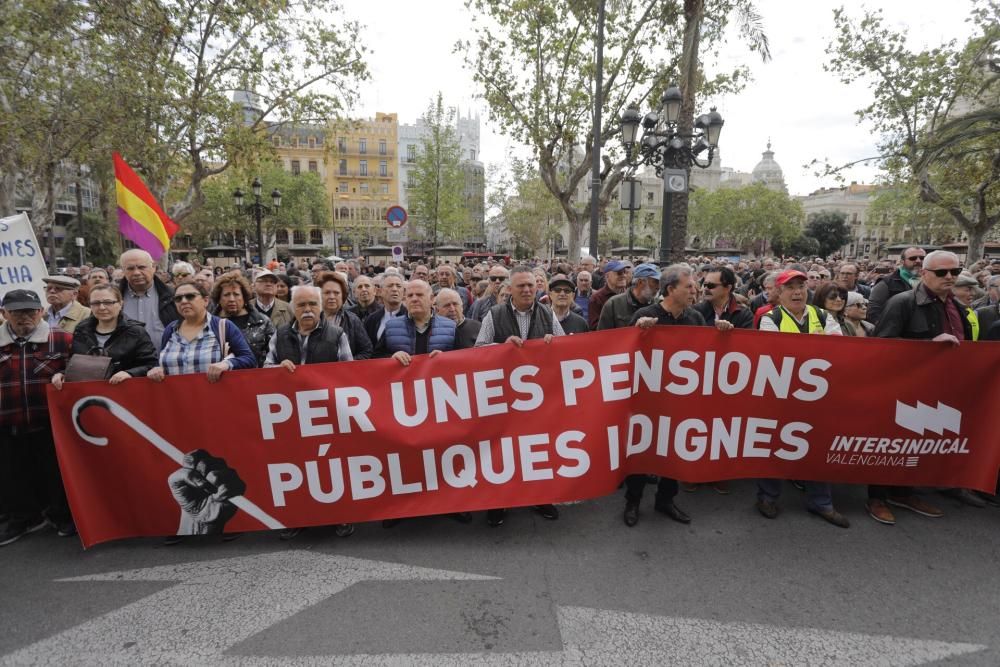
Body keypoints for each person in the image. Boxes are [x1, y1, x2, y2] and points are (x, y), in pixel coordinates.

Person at [869, 251, 969, 523]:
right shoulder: (902, 303)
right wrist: (929, 348)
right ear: (924, 274)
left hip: (937, 389)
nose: (949, 277)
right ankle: (876, 496)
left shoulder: (957, 307)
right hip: (900, 390)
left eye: (955, 272)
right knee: (889, 443)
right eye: (941, 272)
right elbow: (883, 347)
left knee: (916, 443)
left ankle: (903, 492)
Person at [756, 270, 849, 528]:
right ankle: (767, 496)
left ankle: (821, 502)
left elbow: (837, 349)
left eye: (801, 286)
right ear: (778, 292)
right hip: (781, 395)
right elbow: (772, 354)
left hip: (818, 395)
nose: (797, 291)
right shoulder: (769, 319)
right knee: (774, 445)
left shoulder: (823, 316)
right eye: (790, 287)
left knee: (817, 446)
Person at [475, 266, 564, 526]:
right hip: (503, 398)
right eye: (521, 286)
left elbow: (566, 351)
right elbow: (478, 350)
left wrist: (554, 345)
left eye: (531, 285)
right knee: (503, 451)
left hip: (538, 398)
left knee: (538, 449)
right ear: (509, 290)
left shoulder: (548, 314)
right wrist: (501, 349)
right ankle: (499, 502)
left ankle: (539, 496)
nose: (527, 290)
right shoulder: (494, 314)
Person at [265, 285, 354, 540]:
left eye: (312, 305)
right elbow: (265, 369)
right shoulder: (280, 335)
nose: (307, 310)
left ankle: (341, 516)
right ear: (293, 307)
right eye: (302, 305)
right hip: (290, 415)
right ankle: (297, 518)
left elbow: (350, 375)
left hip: (326, 414)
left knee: (332, 467)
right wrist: (277, 370)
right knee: (296, 467)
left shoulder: (337, 335)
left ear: (321, 307)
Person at [625, 264, 705, 527]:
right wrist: (638, 330)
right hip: (648, 400)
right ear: (671, 289)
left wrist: (724, 334)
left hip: (681, 399)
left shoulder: (695, 319)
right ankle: (633, 501)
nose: (695, 291)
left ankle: (666, 499)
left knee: (674, 450)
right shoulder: (645, 314)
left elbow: (708, 355)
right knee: (642, 449)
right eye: (689, 286)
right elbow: (625, 351)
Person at [0, 290, 75, 545]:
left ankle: (61, 515)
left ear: (41, 311)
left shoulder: (63, 339)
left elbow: (77, 375)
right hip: (6, 423)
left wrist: (67, 376)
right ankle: (23, 519)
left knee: (54, 473)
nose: (25, 317)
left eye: (31, 311)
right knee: (12, 475)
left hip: (50, 424)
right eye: (17, 312)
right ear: (4, 314)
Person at [51, 284, 157, 391]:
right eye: (96, 303)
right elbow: (74, 362)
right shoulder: (81, 330)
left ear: (120, 304)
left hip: (125, 393)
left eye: (108, 302)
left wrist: (129, 373)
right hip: (88, 394)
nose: (102, 307)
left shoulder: (136, 332)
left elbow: (151, 365)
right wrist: (62, 374)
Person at [147, 281, 256, 384]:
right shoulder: (170, 329)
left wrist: (226, 364)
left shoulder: (223, 326)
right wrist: (157, 369)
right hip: (176, 400)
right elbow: (162, 361)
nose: (184, 301)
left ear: (205, 300)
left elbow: (249, 359)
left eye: (190, 296)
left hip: (213, 398)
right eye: (178, 298)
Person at [119, 249, 180, 353]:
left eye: (142, 267)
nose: (137, 272)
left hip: (166, 363)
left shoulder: (173, 296)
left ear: (153, 268)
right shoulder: (112, 298)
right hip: (126, 366)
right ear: (123, 271)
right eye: (130, 268)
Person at [211, 271, 276, 368]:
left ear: (244, 297)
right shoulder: (210, 323)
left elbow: (273, 353)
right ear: (219, 299)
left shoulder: (262, 321)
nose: (232, 299)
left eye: (236, 294)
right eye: (226, 295)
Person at [317, 271, 373, 360]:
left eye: (336, 293)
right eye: (327, 293)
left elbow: (366, 351)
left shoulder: (353, 320)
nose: (332, 296)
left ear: (343, 296)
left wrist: (347, 364)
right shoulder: (311, 320)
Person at [867, 247, 924, 324]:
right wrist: (890, 330)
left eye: (922, 258)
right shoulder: (886, 283)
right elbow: (873, 312)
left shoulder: (932, 281)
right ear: (902, 261)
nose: (918, 261)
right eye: (913, 258)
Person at [597, 263, 660, 330]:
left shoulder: (657, 305)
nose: (658, 286)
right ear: (640, 282)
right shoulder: (613, 304)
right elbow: (603, 336)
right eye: (655, 282)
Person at [363, 273, 406, 348]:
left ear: (403, 292)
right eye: (390, 286)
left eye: (398, 286)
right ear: (380, 292)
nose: (394, 289)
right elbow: (366, 348)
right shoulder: (371, 320)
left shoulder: (411, 317)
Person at [588, 260, 628, 330]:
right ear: (607, 276)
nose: (623, 275)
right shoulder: (596, 298)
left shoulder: (630, 295)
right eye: (619, 273)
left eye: (624, 272)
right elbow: (594, 327)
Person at [952, 272, 980, 341]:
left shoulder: (970, 311)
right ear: (952, 291)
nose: (973, 294)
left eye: (973, 290)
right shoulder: (948, 312)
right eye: (967, 290)